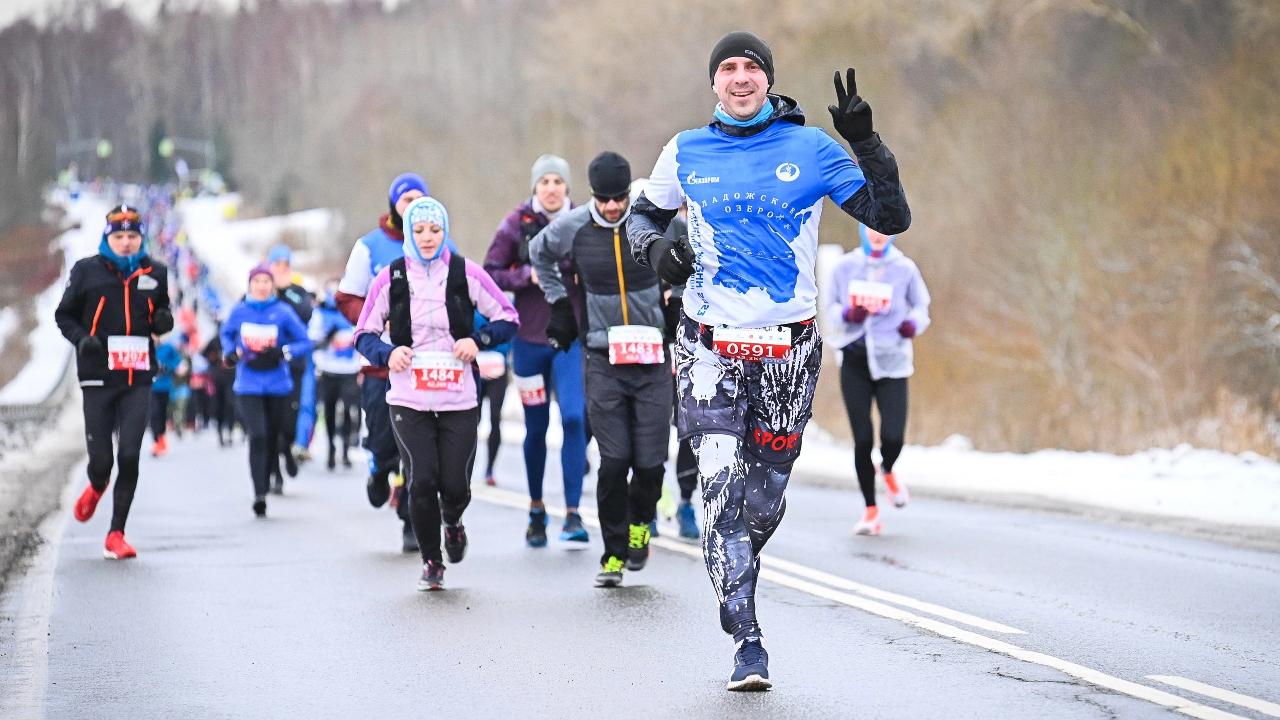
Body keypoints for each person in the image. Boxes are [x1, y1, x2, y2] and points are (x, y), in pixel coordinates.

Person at [627, 32, 911, 690]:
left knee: (764, 499)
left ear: (767, 80)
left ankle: (734, 561)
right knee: (720, 491)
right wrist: (657, 255)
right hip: (707, 345)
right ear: (713, 85)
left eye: (750, 66)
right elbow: (641, 221)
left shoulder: (810, 148)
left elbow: (891, 216)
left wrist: (867, 144)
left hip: (787, 349)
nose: (739, 77)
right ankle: (747, 638)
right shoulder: (685, 151)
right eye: (726, 67)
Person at [355, 197, 517, 590]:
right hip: (409, 398)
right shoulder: (391, 277)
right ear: (408, 232)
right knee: (422, 480)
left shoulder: (466, 273)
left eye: (435, 230)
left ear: (445, 232)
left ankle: (454, 521)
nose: (427, 238)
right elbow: (363, 334)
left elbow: (508, 318)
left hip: (458, 396)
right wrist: (388, 352)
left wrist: (478, 340)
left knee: (455, 485)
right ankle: (431, 559)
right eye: (420, 230)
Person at [531, 152, 672, 587]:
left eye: (620, 198)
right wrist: (558, 303)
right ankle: (612, 555)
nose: (613, 207)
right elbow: (538, 254)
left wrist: (680, 293)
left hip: (652, 361)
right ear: (591, 195)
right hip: (602, 357)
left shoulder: (651, 221)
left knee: (649, 464)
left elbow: (692, 250)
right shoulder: (572, 227)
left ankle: (639, 526)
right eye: (604, 199)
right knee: (614, 462)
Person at [54, 204, 174, 559]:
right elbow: (64, 315)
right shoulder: (86, 271)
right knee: (102, 462)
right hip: (98, 376)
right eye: (119, 236)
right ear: (108, 238)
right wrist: (82, 339)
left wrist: (163, 321)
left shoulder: (156, 271)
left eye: (132, 236)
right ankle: (95, 485)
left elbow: (159, 314)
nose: (126, 243)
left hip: (137, 376)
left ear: (141, 239)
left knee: (131, 455)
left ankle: (116, 534)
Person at [484, 155, 590, 547]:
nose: (550, 188)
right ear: (534, 187)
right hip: (528, 341)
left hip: (570, 340)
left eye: (558, 182)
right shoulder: (516, 224)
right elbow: (490, 273)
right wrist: (526, 275)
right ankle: (536, 508)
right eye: (544, 181)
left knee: (576, 419)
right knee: (536, 426)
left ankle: (574, 514)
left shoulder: (582, 219)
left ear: (567, 187)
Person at [335, 172, 427, 552]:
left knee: (416, 447)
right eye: (405, 201)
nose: (411, 209)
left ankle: (410, 520)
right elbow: (347, 297)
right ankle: (378, 467)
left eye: (418, 200)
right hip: (380, 364)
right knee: (384, 438)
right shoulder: (370, 246)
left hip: (423, 362)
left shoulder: (438, 242)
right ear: (394, 205)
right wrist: (377, 321)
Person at [825, 225, 930, 535]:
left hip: (892, 360)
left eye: (883, 231)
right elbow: (828, 306)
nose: (877, 234)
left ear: (892, 235)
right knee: (862, 440)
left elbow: (922, 306)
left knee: (894, 436)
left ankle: (886, 469)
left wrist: (912, 324)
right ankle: (870, 511)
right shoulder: (845, 266)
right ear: (861, 230)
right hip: (855, 360)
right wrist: (847, 314)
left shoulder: (905, 268)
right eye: (871, 229)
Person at [221, 266, 313, 517]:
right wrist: (232, 351)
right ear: (250, 285)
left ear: (272, 286)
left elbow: (304, 341)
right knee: (258, 435)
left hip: (278, 385)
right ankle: (259, 492)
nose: (261, 286)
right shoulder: (240, 311)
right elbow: (226, 334)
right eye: (257, 281)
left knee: (275, 434)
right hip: (248, 384)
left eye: (266, 281)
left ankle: (274, 471)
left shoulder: (282, 312)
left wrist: (283, 352)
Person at [267, 244, 314, 490]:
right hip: (267, 368)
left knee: (289, 419)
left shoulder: (297, 292)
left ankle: (287, 450)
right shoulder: (261, 291)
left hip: (293, 365)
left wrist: (284, 291)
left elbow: (305, 313)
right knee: (271, 422)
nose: (280, 270)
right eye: (276, 265)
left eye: (285, 265)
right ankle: (275, 471)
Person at [310, 281, 363, 470]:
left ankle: (346, 450)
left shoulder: (355, 312)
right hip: (328, 370)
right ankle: (331, 449)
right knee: (330, 411)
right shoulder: (320, 314)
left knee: (349, 409)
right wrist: (326, 339)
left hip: (350, 370)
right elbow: (313, 341)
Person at [473, 311, 511, 487]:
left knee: (495, 417)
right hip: (475, 367)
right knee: (473, 420)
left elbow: (510, 333)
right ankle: (465, 465)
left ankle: (489, 468)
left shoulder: (505, 304)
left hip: (498, 369)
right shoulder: (472, 301)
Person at [148, 336, 183, 456]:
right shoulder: (147, 347)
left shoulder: (168, 348)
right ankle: (156, 441)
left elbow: (177, 361)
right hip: (150, 386)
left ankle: (161, 439)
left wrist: (167, 367)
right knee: (154, 413)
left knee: (162, 413)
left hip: (165, 386)